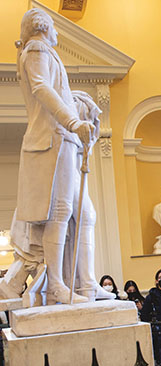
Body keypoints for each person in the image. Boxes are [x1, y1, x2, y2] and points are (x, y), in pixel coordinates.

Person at [14, 8, 114, 304]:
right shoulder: (36, 48)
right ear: (44, 27)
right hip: (52, 139)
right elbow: (42, 87)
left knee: (85, 214)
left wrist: (77, 119)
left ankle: (85, 283)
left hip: (65, 140)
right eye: (55, 27)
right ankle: (56, 284)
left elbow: (54, 90)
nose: (58, 32)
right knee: (59, 213)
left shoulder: (44, 50)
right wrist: (72, 121)